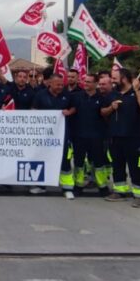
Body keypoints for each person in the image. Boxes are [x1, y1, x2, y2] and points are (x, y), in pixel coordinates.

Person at [103, 68, 140, 204]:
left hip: (135, 138)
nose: (112, 81)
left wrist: (137, 91)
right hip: (115, 137)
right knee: (117, 166)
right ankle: (120, 191)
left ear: (124, 78)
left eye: (114, 78)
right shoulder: (113, 93)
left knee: (136, 168)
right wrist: (111, 108)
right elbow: (103, 112)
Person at [32, 66, 76, 199]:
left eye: (62, 85)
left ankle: (67, 187)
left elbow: (73, 107)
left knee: (65, 160)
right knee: (43, 159)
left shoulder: (67, 95)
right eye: (57, 84)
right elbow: (33, 109)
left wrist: (69, 112)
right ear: (50, 83)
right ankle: (41, 185)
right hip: (44, 135)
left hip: (63, 135)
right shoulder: (40, 95)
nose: (60, 87)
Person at [70, 73, 109, 196]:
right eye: (85, 81)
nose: (85, 84)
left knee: (98, 163)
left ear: (96, 84)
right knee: (78, 163)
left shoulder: (102, 98)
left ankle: (102, 186)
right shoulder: (76, 97)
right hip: (79, 136)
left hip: (97, 136)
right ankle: (78, 185)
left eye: (89, 82)